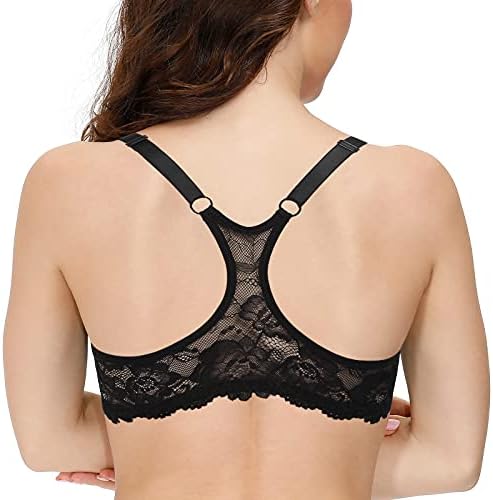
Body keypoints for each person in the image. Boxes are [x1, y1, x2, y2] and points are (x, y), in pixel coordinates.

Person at [3, 1, 489, 499]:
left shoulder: (68, 183)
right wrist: (333, 449)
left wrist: (164, 458)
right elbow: (449, 460)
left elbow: (49, 440)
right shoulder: (413, 187)